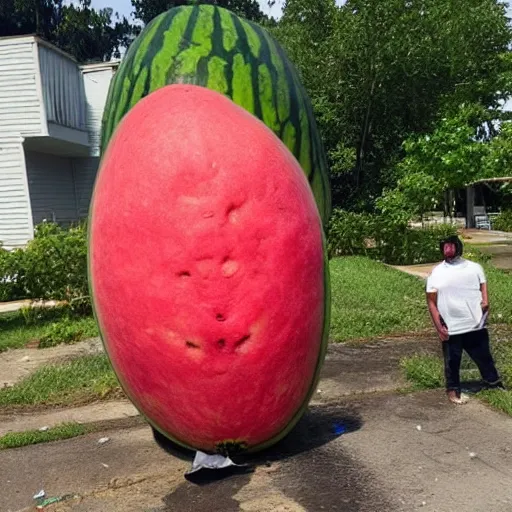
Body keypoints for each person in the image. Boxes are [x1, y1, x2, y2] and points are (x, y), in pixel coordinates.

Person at [426, 235, 503, 404]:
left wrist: (485, 302)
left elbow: (483, 286)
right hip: (451, 326)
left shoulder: (474, 267)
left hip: (475, 323)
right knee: (452, 361)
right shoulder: (437, 272)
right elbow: (431, 301)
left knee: (484, 356)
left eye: (451, 246)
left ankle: (493, 383)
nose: (448, 250)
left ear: (458, 247)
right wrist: (439, 327)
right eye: (445, 246)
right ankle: (453, 392)